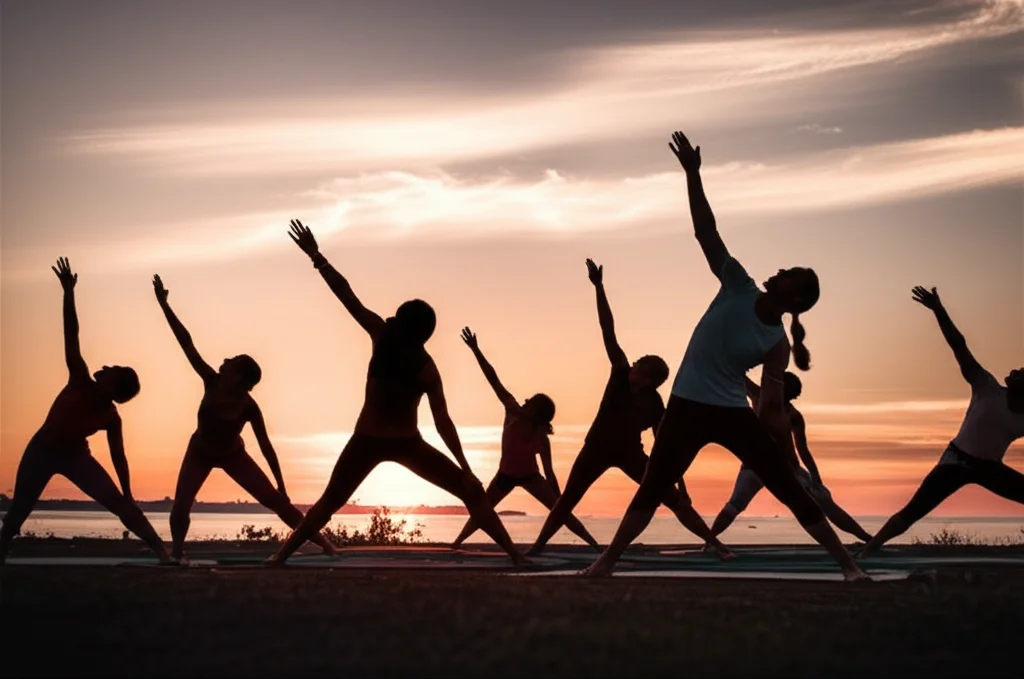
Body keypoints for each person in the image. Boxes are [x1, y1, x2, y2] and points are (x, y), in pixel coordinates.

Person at [582, 132, 869, 581]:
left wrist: (783, 452)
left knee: (791, 489)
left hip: (732, 413)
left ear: (792, 297)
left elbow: (772, 410)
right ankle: (606, 562)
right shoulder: (738, 283)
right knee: (654, 487)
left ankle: (849, 566)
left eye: (787, 275)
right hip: (686, 405)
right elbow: (705, 232)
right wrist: (693, 174)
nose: (777, 271)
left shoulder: (777, 344)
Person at [267, 220, 528, 565]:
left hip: (409, 444)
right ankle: (281, 556)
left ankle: (515, 555)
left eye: (397, 317)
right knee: (329, 501)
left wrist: (466, 468)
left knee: (470, 491)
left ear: (409, 330)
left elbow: (444, 423)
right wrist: (317, 256)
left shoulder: (425, 369)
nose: (389, 318)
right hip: (366, 441)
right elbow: (347, 295)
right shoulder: (382, 334)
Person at [527, 258, 734, 558]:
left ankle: (716, 544)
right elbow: (607, 329)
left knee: (674, 500)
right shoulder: (620, 376)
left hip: (630, 454)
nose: (632, 365)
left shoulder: (654, 403)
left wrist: (682, 486)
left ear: (648, 379)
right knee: (567, 500)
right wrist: (599, 287)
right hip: (595, 449)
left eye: (638, 365)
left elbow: (666, 446)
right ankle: (536, 548)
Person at [153, 274, 336, 564]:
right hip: (198, 451)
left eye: (231, 362)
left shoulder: (249, 407)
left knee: (277, 503)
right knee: (181, 506)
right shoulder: (211, 381)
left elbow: (266, 447)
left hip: (234, 456)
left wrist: (281, 486)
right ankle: (177, 552)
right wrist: (164, 304)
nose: (223, 362)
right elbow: (185, 342)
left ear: (239, 378)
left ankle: (326, 546)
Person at [1, 258, 171, 564]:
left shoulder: (110, 417)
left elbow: (119, 457)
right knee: (20, 508)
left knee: (119, 504)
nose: (103, 367)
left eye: (111, 370)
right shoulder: (78, 378)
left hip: (76, 457)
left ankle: (162, 550)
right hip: (42, 449)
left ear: (112, 389)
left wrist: (128, 493)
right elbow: (72, 335)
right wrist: (68, 291)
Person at [860, 286, 1024, 556]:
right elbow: (958, 345)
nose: (1015, 372)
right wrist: (938, 309)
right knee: (913, 511)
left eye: (1021, 374)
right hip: (955, 462)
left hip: (990, 468)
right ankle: (870, 548)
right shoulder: (986, 387)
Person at [450, 327, 601, 551]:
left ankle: (593, 546)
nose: (524, 402)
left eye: (529, 403)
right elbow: (494, 379)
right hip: (505, 475)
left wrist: (559, 500)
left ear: (536, 413)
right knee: (484, 510)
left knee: (561, 512)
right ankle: (456, 543)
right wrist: (475, 349)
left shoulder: (541, 437)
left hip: (531, 477)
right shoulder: (512, 411)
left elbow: (549, 473)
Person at [708, 372, 872, 543]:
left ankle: (867, 539)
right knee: (735, 505)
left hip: (782, 467)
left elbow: (802, 449)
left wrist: (815, 477)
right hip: (758, 465)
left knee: (823, 502)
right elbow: (738, 375)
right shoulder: (761, 398)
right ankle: (710, 541)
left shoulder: (788, 413)